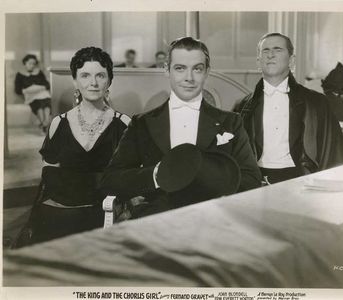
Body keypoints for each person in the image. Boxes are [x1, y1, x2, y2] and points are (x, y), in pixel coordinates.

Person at [101, 37, 262, 218]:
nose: (189, 78)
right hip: (157, 221)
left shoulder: (231, 122)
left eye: (197, 69)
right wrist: (156, 175)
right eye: (180, 68)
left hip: (213, 218)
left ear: (207, 72)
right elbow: (111, 180)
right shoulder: (142, 123)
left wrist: (211, 179)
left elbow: (252, 180)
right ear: (167, 71)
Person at [27, 47, 130, 244]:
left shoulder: (124, 123)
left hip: (105, 209)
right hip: (64, 208)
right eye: (85, 75)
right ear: (75, 80)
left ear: (109, 80)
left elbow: (130, 174)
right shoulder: (59, 123)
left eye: (100, 75)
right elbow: (50, 168)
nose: (93, 83)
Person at [235, 33, 343, 184]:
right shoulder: (243, 107)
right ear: (258, 62)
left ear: (291, 60)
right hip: (255, 182)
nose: (271, 55)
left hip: (302, 181)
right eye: (266, 50)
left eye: (277, 49)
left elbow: (334, 154)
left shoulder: (316, 103)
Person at [14, 54, 51, 133]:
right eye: (30, 63)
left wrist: (41, 88)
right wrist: (26, 91)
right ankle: (44, 124)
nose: (32, 66)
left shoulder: (39, 72)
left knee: (47, 101)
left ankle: (45, 122)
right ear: (25, 63)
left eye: (34, 64)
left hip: (42, 93)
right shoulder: (20, 74)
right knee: (38, 104)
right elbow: (17, 90)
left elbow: (47, 84)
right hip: (31, 96)